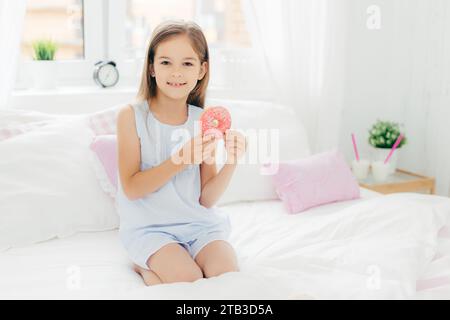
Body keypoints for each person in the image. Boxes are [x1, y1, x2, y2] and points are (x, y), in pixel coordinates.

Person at [115, 20, 247, 286]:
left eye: (187, 63)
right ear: (151, 67)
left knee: (227, 276)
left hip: (199, 225)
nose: (176, 72)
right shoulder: (130, 116)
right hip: (151, 229)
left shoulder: (203, 122)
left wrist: (231, 162)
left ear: (202, 69)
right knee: (187, 279)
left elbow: (206, 199)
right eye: (165, 62)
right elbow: (131, 188)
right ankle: (144, 268)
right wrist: (181, 159)